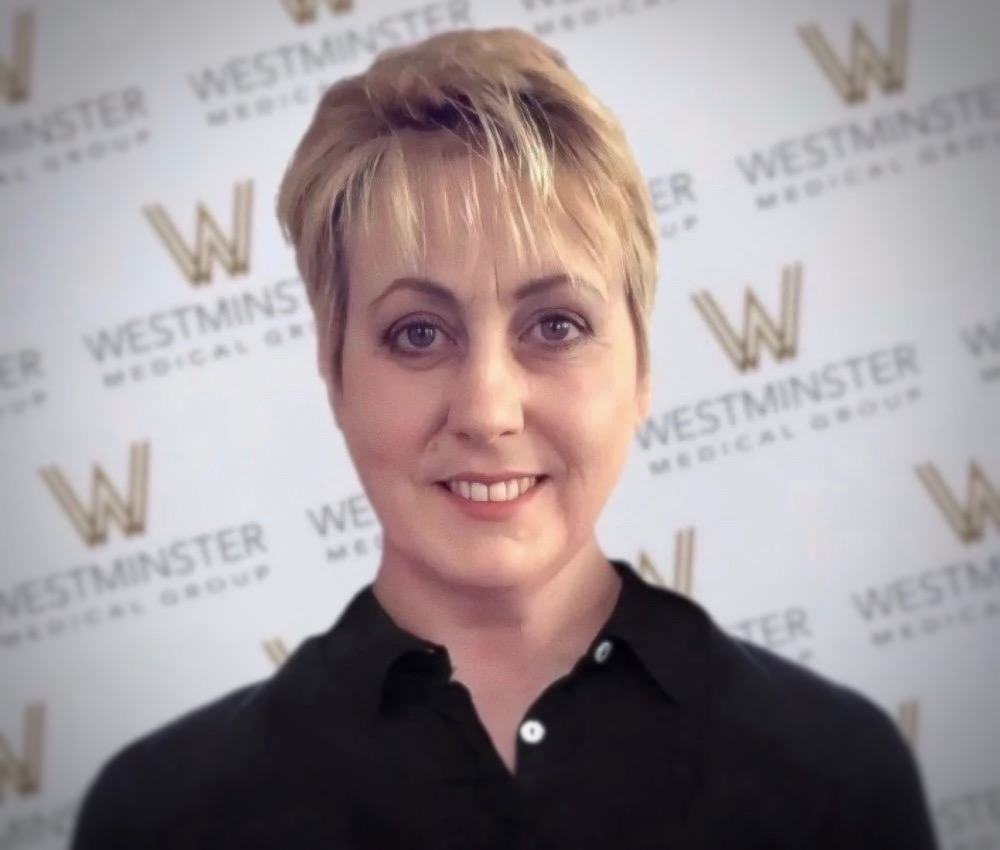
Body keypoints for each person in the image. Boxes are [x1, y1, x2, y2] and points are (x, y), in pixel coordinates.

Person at [71, 27, 939, 849]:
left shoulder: (835, 775)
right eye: (418, 333)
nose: (488, 409)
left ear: (641, 369)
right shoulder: (165, 814)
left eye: (555, 325)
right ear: (335, 377)